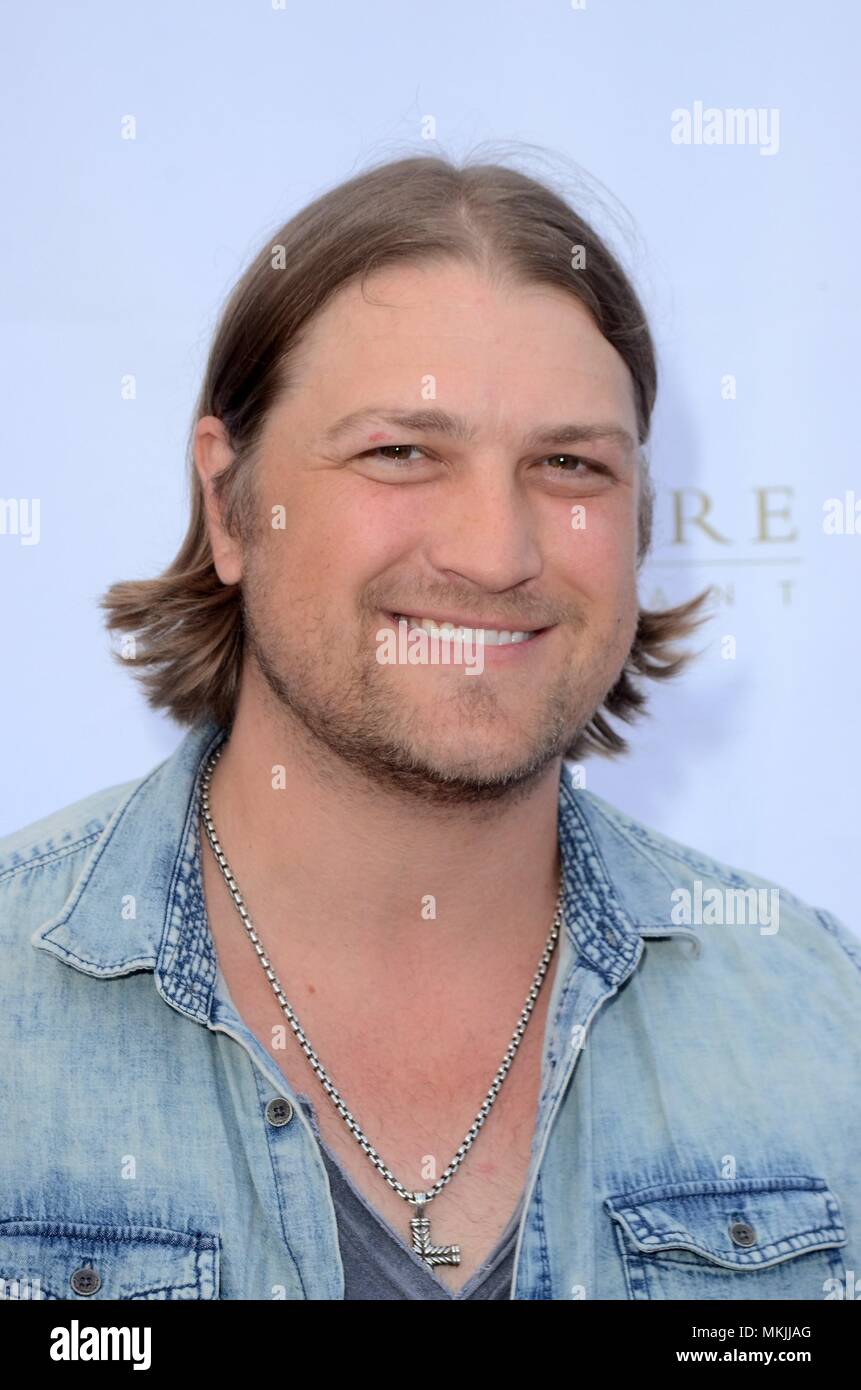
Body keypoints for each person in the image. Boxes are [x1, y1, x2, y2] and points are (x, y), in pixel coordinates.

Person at [1, 153, 857, 1302]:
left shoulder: (824, 1022)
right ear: (230, 503)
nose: (494, 552)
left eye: (568, 464)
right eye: (402, 452)